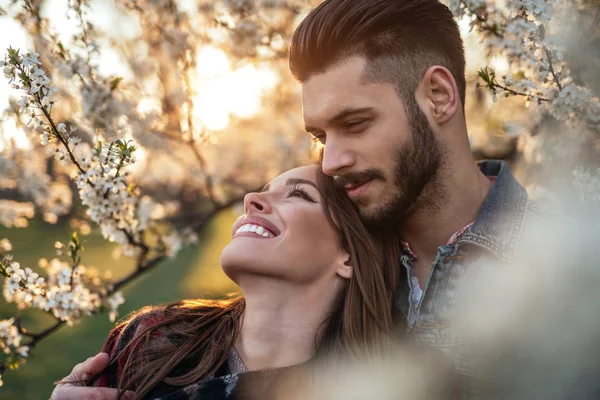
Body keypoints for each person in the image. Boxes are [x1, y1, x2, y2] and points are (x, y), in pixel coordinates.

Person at [289, 0, 557, 397]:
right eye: (321, 137)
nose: (330, 162)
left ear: (439, 96)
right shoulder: (332, 266)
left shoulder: (572, 270)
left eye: (355, 124)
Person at [50, 165, 402, 400]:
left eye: (298, 194)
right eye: (263, 190)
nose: (251, 200)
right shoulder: (151, 341)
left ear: (349, 256)